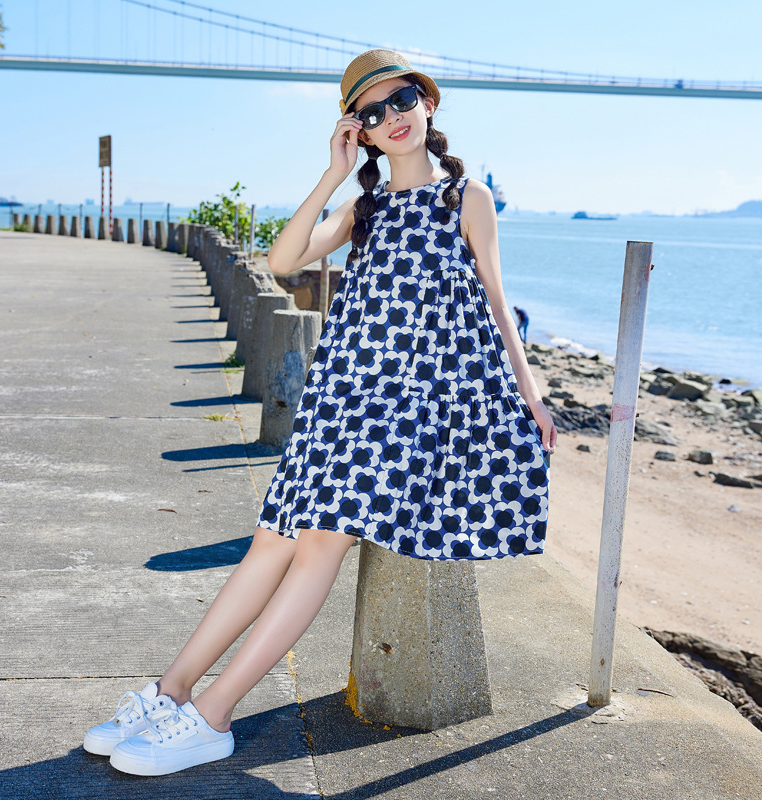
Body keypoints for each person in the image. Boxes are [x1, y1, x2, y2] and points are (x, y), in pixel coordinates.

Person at [84, 48, 557, 777]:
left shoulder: (467, 198)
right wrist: (333, 174)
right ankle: (171, 690)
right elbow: (283, 262)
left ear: (429, 106)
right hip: (341, 392)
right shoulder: (360, 207)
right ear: (357, 131)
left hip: (407, 406)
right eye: (371, 113)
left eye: (401, 101)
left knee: (318, 544)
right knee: (271, 539)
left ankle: (214, 717)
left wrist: (530, 395)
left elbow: (496, 302)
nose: (391, 118)